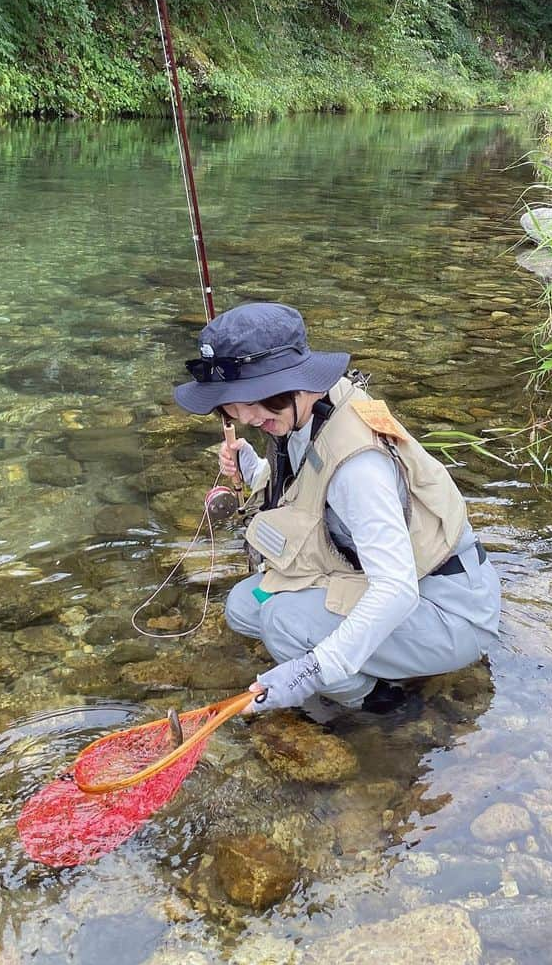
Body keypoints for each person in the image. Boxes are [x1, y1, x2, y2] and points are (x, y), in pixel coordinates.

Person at [173, 302, 501, 716]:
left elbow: (396, 589)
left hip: (449, 609)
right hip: (378, 578)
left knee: (282, 622)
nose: (245, 417)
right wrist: (253, 468)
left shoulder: (360, 468)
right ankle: (380, 667)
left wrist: (310, 670)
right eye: (231, 408)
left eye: (250, 402)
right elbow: (305, 494)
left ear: (291, 382)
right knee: (245, 607)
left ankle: (382, 707)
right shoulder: (305, 410)